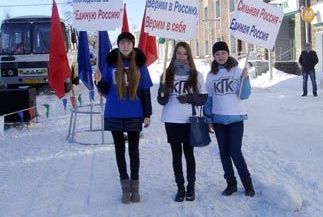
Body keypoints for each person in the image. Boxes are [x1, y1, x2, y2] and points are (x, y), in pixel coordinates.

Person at [94, 32, 152, 204]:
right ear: (118, 45)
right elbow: (105, 90)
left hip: (134, 112)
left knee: (134, 152)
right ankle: (125, 188)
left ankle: (135, 188)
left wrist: (147, 114)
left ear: (132, 45)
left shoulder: (140, 65)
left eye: (128, 43)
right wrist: (98, 81)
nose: (125, 46)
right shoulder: (110, 64)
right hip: (114, 112)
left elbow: (145, 91)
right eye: (123, 43)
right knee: (120, 151)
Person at [157, 42, 208, 202]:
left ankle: (191, 188)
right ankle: (180, 188)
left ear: (189, 56)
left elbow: (203, 98)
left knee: (189, 154)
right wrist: (163, 93)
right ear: (174, 55)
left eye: (185, 54)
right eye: (178, 53)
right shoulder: (167, 73)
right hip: (171, 119)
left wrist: (190, 98)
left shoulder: (196, 75)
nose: (181, 56)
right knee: (176, 155)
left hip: (189, 120)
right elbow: (161, 101)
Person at [203, 41, 255, 197]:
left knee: (235, 152)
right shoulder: (211, 75)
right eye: (217, 54)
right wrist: (208, 119)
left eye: (223, 53)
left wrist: (245, 79)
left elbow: (244, 95)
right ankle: (231, 184)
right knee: (224, 152)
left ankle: (247, 183)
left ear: (228, 53)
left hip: (235, 118)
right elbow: (209, 99)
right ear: (214, 56)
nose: (221, 56)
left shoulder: (237, 71)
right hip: (218, 119)